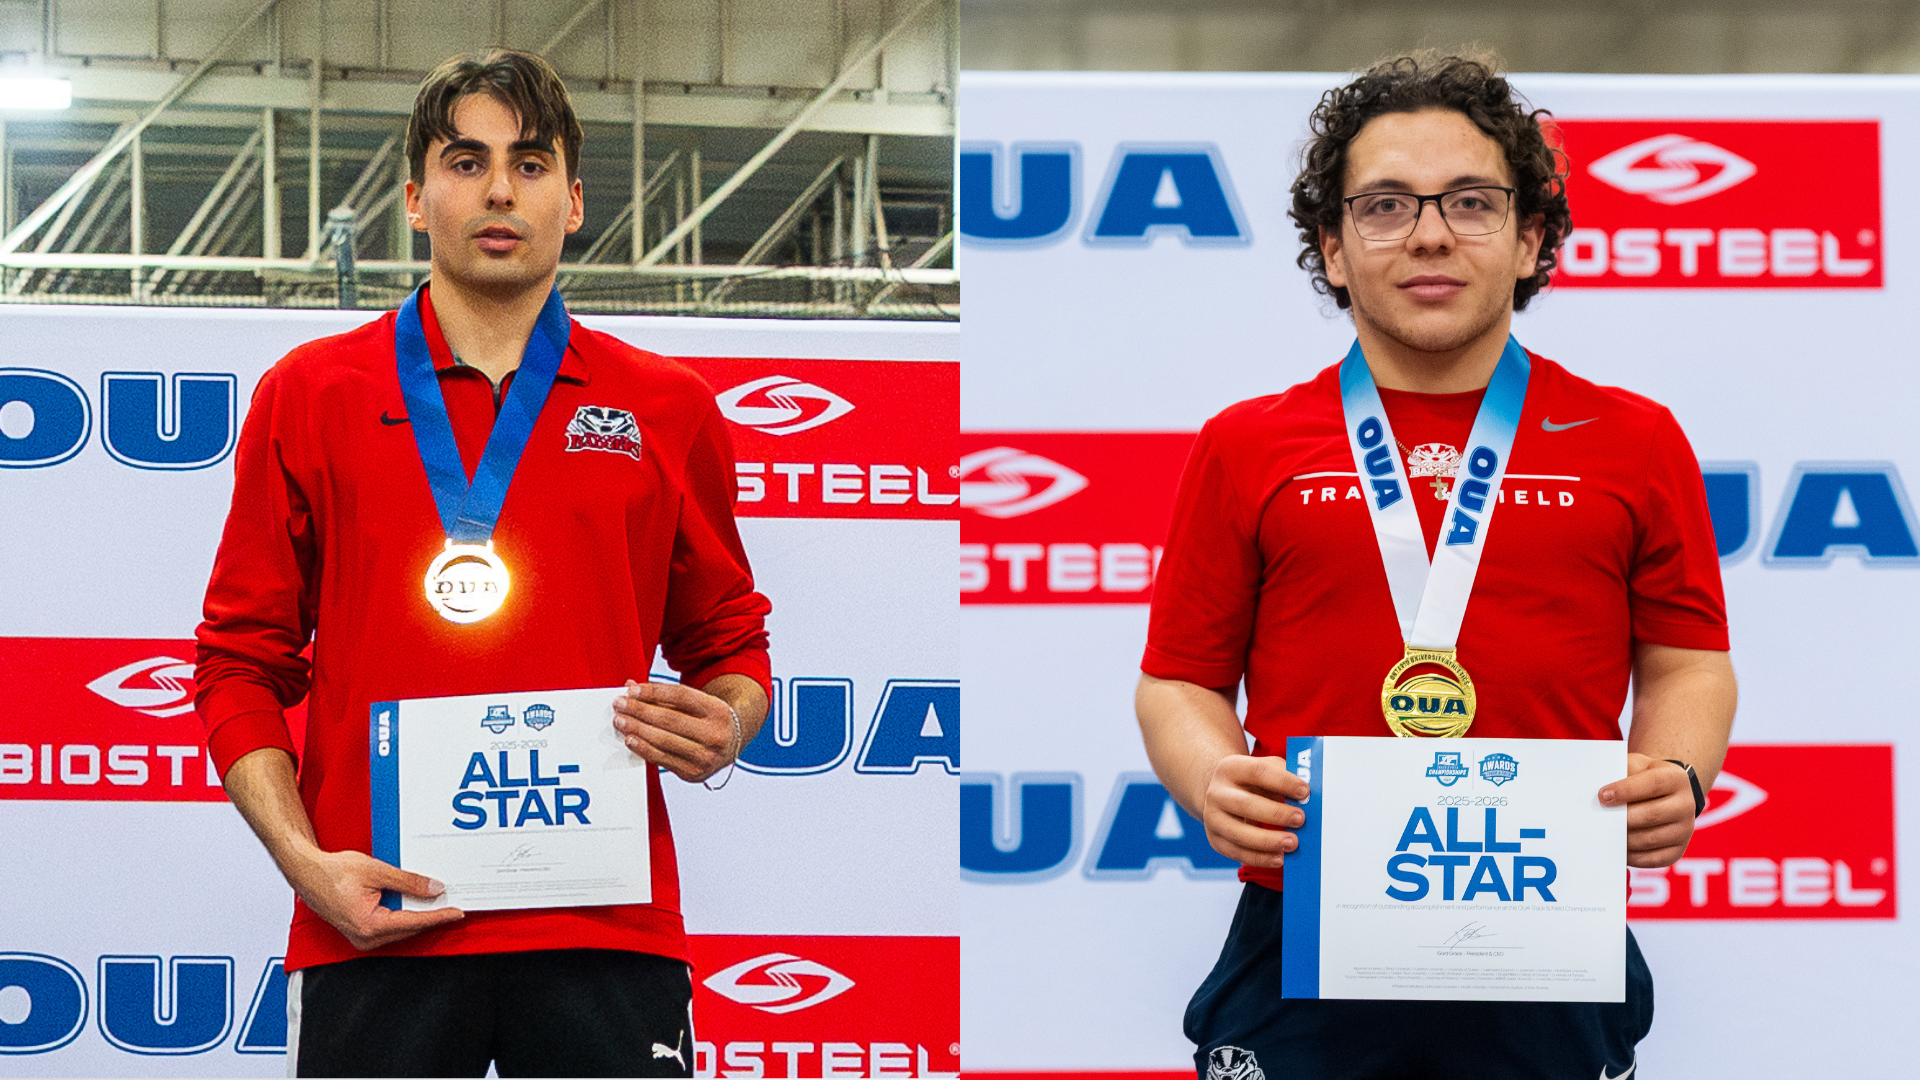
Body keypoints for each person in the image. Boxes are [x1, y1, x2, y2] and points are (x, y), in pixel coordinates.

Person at [1135, 50, 1736, 1080]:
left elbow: (1688, 661)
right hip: (1308, 923)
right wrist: (1209, 778)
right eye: (1383, 206)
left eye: (1469, 201)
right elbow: (1180, 677)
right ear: (1330, 247)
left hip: (1550, 927)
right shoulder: (1247, 443)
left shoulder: (1634, 439)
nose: (1427, 234)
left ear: (1531, 237)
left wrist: (1678, 772)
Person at [195, 49, 771, 1078]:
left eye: (532, 162)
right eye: (467, 161)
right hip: (376, 916)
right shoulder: (309, 394)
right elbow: (240, 660)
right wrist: (304, 866)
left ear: (575, 201)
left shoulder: (665, 405)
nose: (500, 188)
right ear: (416, 198)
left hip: (606, 931)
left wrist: (726, 720)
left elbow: (731, 646)